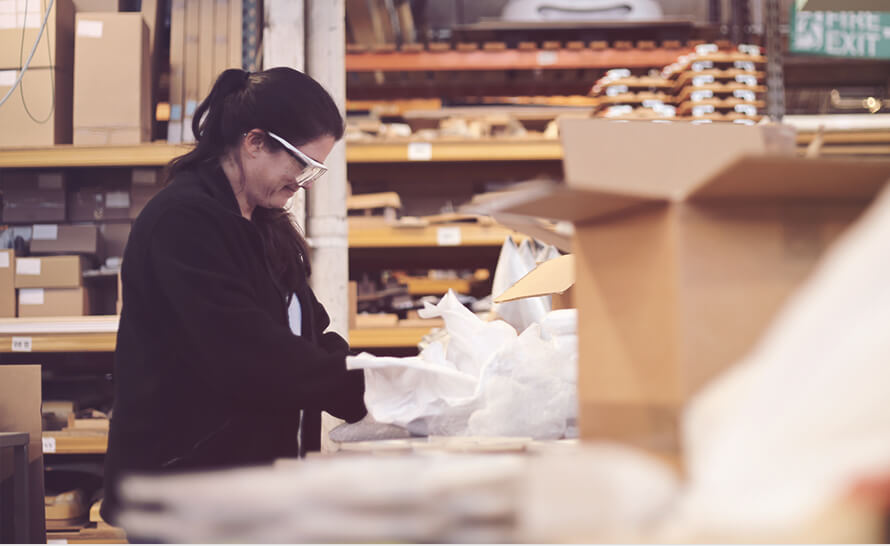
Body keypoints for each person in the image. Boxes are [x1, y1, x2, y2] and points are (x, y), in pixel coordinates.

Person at [101, 67, 367, 525]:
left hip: (245, 486)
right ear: (255, 142)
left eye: (314, 169)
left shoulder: (264, 223)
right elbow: (250, 353)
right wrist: (370, 394)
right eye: (301, 163)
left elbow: (307, 335)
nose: (304, 181)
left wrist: (390, 384)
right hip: (182, 489)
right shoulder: (183, 223)